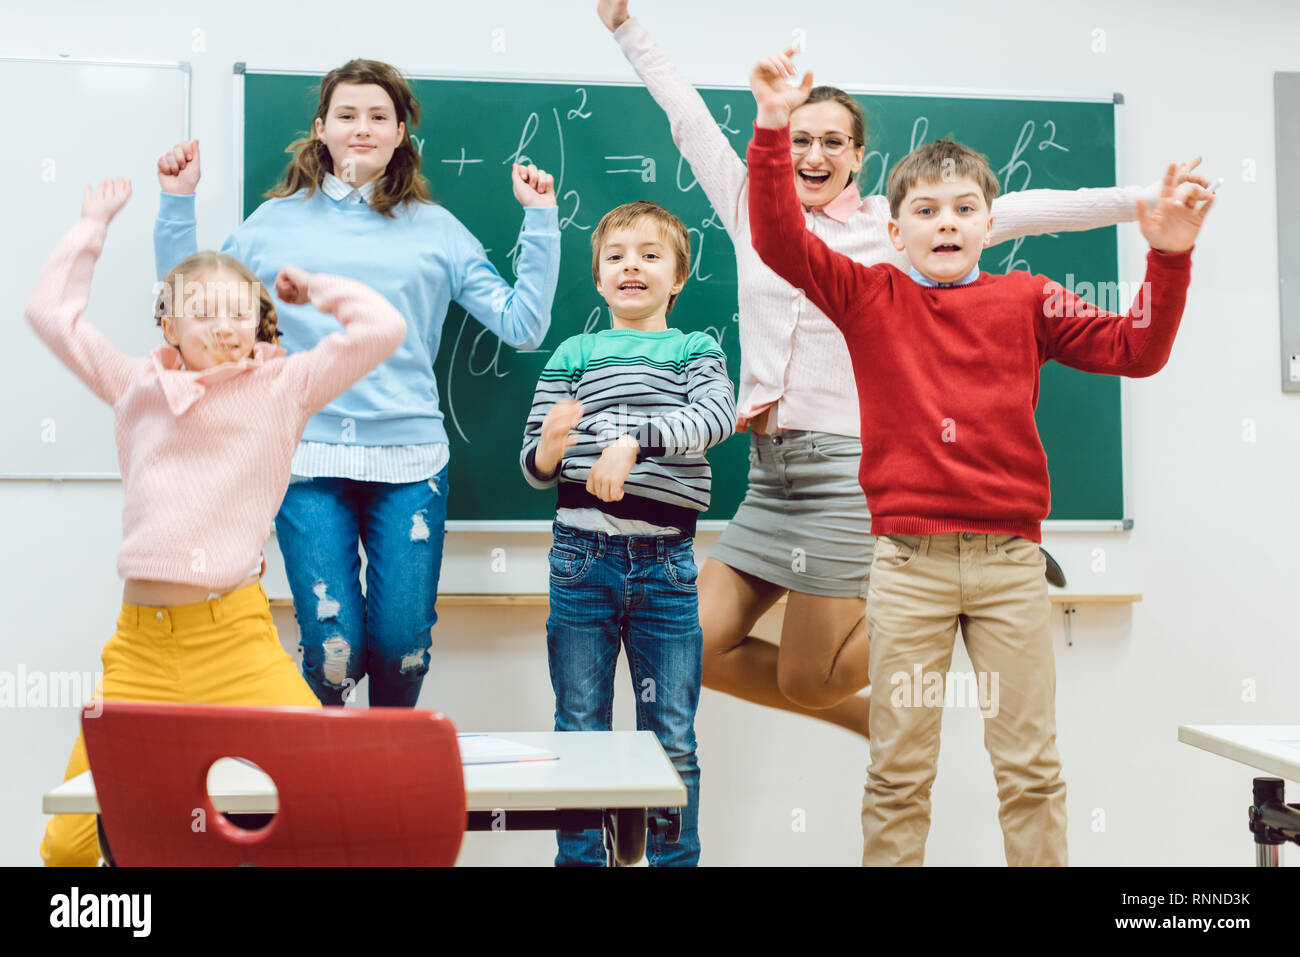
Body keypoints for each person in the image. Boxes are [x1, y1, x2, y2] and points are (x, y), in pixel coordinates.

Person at [597, 0, 1211, 737]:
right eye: (799, 138)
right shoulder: (749, 206)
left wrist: (1144, 200)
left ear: (858, 157)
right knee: (679, 646)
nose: (813, 154)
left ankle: (944, 600)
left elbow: (1036, 208)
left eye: (832, 142)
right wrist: (624, 26)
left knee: (807, 676)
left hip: (845, 471)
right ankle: (873, 717)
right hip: (769, 474)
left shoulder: (893, 232)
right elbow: (688, 117)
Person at [745, 49, 1213, 864]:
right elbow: (781, 241)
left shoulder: (1026, 298)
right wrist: (774, 127)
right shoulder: (867, 295)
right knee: (898, 769)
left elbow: (1135, 350)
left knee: (1029, 770)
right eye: (926, 211)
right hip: (907, 567)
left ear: (991, 225)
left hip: (1008, 566)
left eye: (966, 208)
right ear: (893, 233)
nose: (948, 223)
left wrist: (1167, 255)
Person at [154, 59, 561, 707]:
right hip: (307, 460)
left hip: (411, 464)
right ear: (321, 129)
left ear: (401, 134)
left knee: (404, 645)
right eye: (347, 115)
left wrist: (539, 219)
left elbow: (524, 326)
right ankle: (329, 787)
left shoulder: (438, 230)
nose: (362, 128)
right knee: (332, 650)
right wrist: (177, 203)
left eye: (379, 117)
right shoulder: (274, 224)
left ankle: (385, 777)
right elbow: (188, 303)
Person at [33, 178, 408, 866]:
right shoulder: (135, 387)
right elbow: (50, 314)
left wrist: (317, 287)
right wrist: (92, 224)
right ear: (168, 326)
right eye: (200, 312)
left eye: (239, 311)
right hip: (140, 653)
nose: (223, 325)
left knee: (328, 806)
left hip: (234, 642)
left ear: (261, 319)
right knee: (67, 844)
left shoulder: (285, 386)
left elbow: (383, 328)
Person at [520, 200, 736, 865]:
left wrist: (632, 444)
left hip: (667, 562)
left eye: (649, 255)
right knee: (579, 725)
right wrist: (552, 447)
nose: (631, 266)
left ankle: (673, 859)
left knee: (671, 732)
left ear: (678, 276)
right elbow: (533, 462)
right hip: (581, 558)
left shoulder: (694, 350)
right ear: (598, 277)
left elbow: (716, 417)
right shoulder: (573, 353)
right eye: (616, 256)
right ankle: (581, 859)